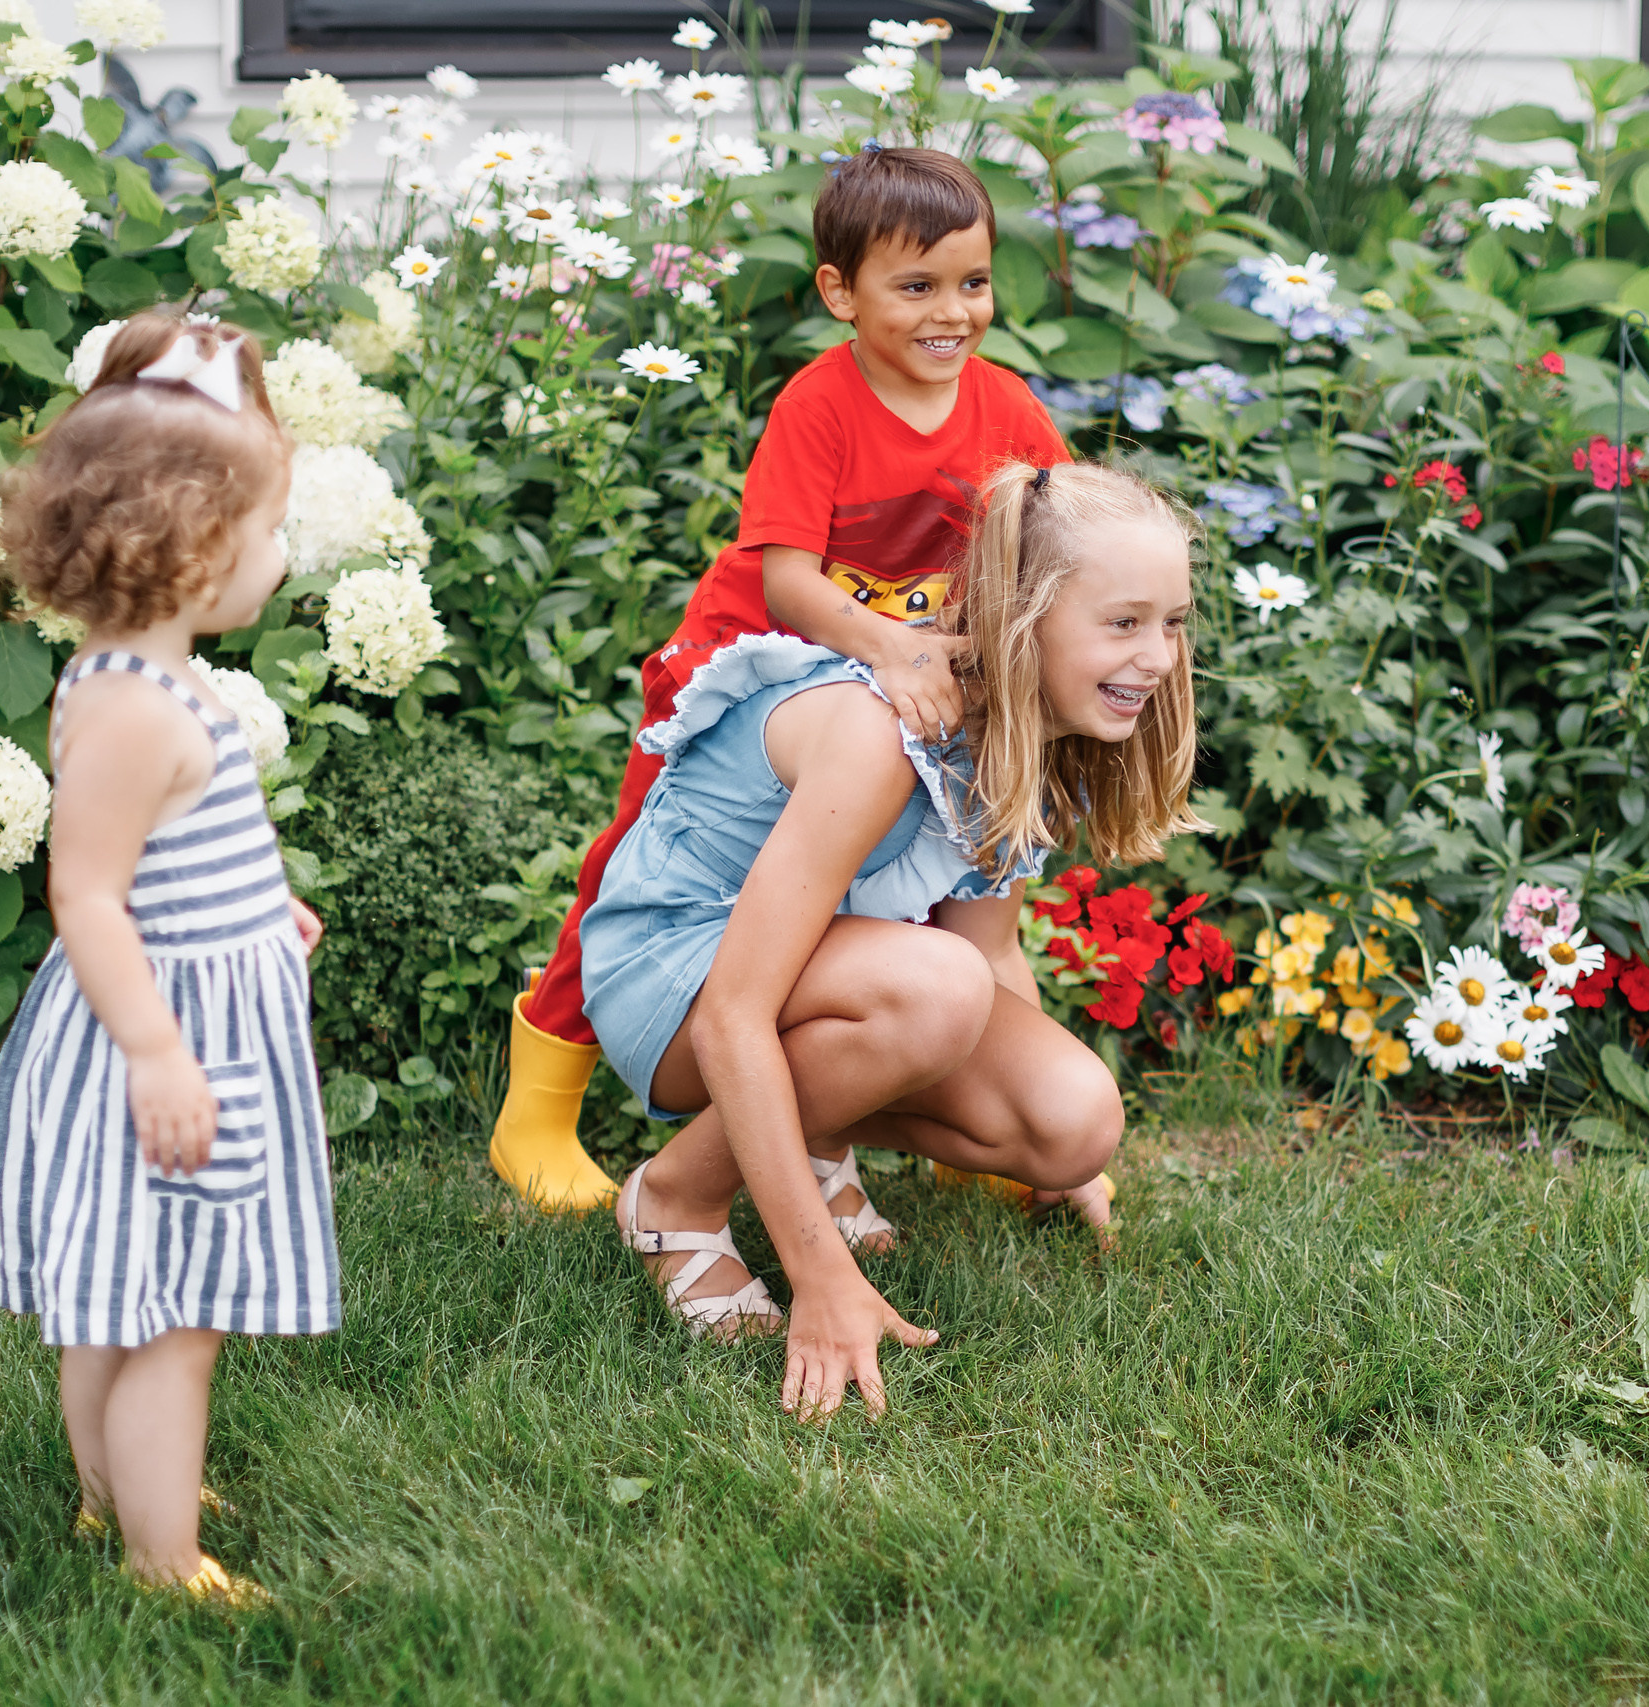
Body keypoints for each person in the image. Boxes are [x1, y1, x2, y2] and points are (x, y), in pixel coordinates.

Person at [488, 145, 1071, 1212]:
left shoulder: (1007, 411)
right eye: (916, 286)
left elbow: (1055, 543)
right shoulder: (821, 404)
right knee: (629, 856)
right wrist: (891, 645)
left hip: (897, 675)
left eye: (973, 283)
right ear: (838, 294)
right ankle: (540, 1097)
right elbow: (788, 579)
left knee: (927, 859)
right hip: (746, 668)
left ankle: (946, 1089)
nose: (952, 312)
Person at [582, 461, 1203, 1417]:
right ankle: (675, 1200)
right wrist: (818, 1274)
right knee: (934, 990)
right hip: (674, 976)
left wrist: (1057, 1167)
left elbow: (992, 955)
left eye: (1172, 622)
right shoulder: (879, 735)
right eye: (1123, 623)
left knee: (1073, 1120)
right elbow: (734, 1014)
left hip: (820, 976)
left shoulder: (1030, 745)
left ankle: (816, 1131)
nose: (1157, 657)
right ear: (1020, 622)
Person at [0, 313, 337, 1606]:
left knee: (113, 1293)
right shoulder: (136, 706)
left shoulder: (136, 675)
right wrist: (158, 1048)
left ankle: (110, 1486)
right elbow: (87, 890)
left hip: (189, 1000)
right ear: (188, 551)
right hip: (169, 1041)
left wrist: (262, 907)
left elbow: (185, 844)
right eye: (269, 530)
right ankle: (162, 1555)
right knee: (177, 1313)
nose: (282, 556)